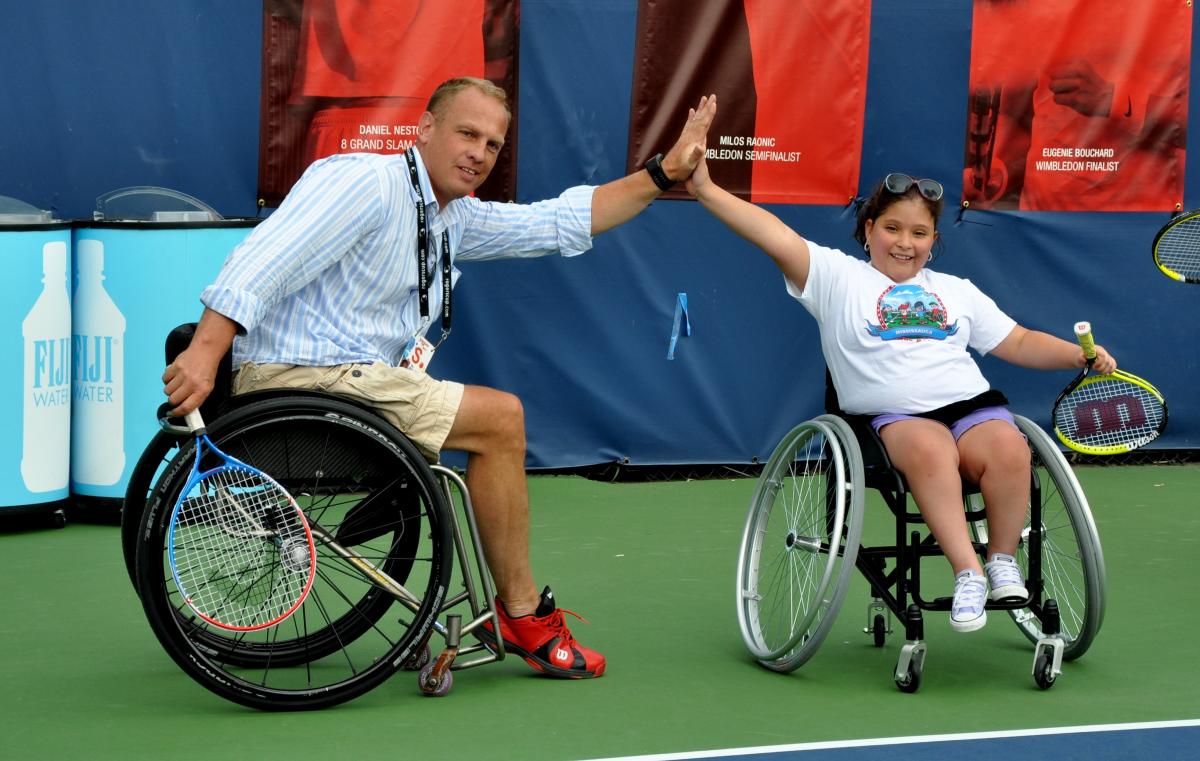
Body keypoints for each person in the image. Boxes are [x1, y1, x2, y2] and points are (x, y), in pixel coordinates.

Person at [163, 77, 718, 676]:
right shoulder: (364, 183)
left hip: (344, 384)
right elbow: (261, 259)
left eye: (493, 144)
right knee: (501, 420)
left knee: (468, 425)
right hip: (296, 381)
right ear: (425, 129)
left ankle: (404, 567)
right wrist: (206, 350)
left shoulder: (452, 216)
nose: (479, 153)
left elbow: (559, 223)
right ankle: (524, 613)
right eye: (467, 133)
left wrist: (663, 174)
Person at [687, 164, 1116, 632]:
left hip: (969, 406)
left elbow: (1017, 341)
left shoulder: (957, 292)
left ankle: (1001, 562)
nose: (904, 243)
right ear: (868, 230)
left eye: (919, 232)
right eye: (891, 228)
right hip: (893, 417)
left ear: (933, 240)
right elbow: (774, 234)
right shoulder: (837, 277)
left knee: (1012, 447)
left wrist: (1075, 355)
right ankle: (967, 573)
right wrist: (706, 190)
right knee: (933, 451)